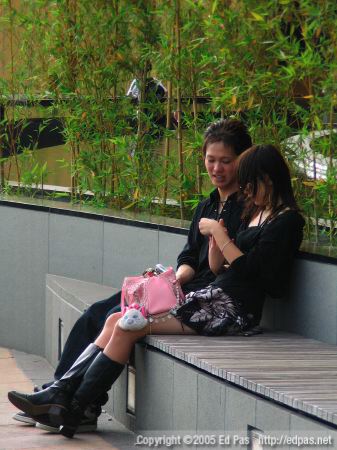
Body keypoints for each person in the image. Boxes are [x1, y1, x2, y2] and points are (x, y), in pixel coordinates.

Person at [8, 143, 304, 438]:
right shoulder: (256, 213)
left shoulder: (288, 220)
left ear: (269, 179)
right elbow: (219, 268)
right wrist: (217, 245)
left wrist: (219, 235)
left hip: (231, 310)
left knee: (127, 325)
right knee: (113, 319)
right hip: (212, 297)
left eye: (250, 183)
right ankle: (62, 394)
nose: (247, 191)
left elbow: (256, 273)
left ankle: (73, 408)